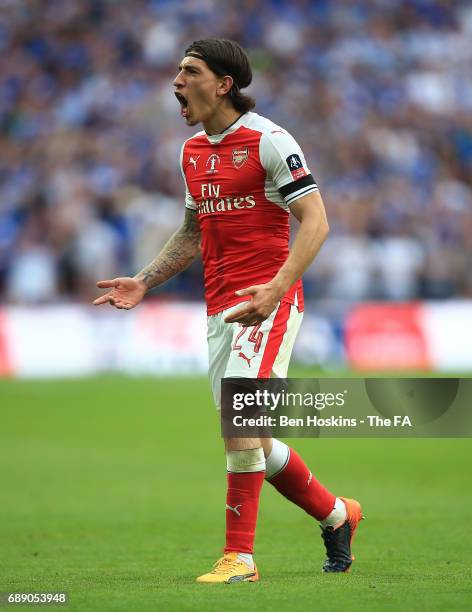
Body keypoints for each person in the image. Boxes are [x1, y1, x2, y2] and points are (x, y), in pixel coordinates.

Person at [94, 38, 363, 583]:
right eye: (176, 72)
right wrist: (144, 281)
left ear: (224, 84)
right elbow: (193, 231)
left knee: (240, 419)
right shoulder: (192, 152)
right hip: (220, 309)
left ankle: (239, 558)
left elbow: (316, 222)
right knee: (255, 439)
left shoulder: (271, 140)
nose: (176, 82)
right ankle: (337, 515)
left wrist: (276, 288)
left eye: (189, 72)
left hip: (269, 302)